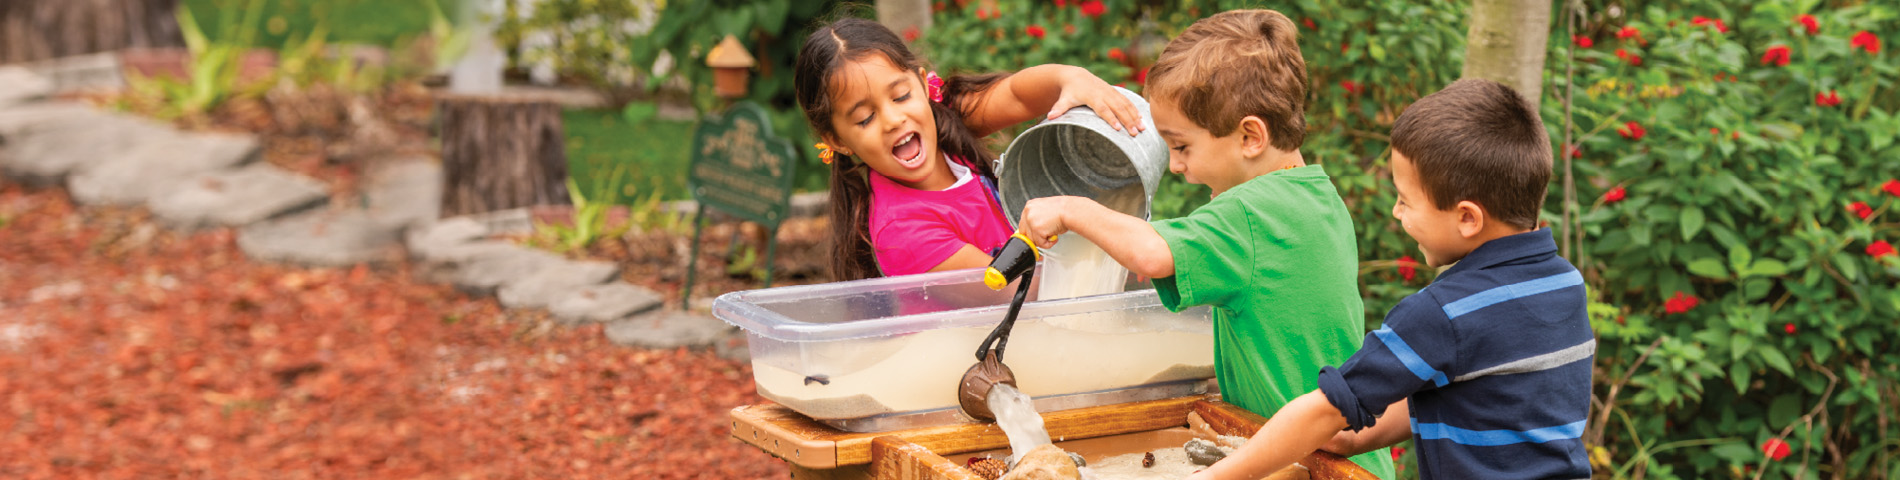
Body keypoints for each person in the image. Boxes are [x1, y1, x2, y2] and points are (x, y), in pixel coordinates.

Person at [1014, 10, 1393, 477]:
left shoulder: (1248, 214)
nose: (1174, 166)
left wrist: (1073, 209)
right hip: (1350, 455)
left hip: (1308, 462)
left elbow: (1151, 253)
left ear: (1250, 136)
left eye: (1182, 146)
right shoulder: (1316, 195)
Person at [1182, 79, 1593, 480]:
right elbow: (1484, 399)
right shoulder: (1564, 285)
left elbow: (1326, 409)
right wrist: (1353, 439)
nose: (1397, 213)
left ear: (1467, 217)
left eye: (1405, 200)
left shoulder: (1443, 314)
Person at [793, 17, 1143, 280]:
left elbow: (1017, 95)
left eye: (901, 96)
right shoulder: (901, 232)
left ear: (923, 83)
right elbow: (1021, 291)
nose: (893, 119)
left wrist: (1070, 78)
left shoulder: (946, 123)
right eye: (866, 118)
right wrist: (1105, 235)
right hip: (981, 360)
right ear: (837, 140)